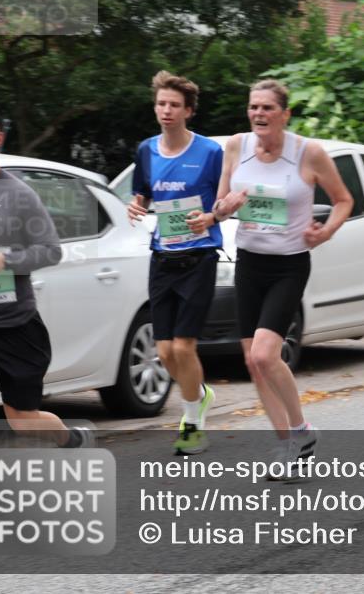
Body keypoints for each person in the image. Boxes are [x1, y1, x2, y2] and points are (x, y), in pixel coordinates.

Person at [0, 98, 93, 530]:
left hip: (17, 327)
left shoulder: (18, 195)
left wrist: (3, 260)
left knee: (20, 417)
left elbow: (50, 250)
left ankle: (71, 439)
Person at [212, 80, 352, 477]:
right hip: (249, 262)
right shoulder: (236, 147)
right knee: (252, 363)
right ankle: (289, 446)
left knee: (263, 354)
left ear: (285, 114)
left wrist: (326, 232)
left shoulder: (309, 153)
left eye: (267, 108)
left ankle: (302, 430)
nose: (258, 114)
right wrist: (227, 206)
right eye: (253, 107)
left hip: (289, 264)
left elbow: (344, 200)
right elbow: (219, 207)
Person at [127, 71, 222, 455]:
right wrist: (137, 205)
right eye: (161, 104)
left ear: (189, 111)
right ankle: (199, 393)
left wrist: (211, 217)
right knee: (163, 351)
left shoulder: (210, 153)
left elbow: (226, 201)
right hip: (163, 256)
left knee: (184, 348)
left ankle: (192, 423)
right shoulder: (146, 150)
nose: (166, 111)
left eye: (174, 105)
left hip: (199, 256)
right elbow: (143, 194)